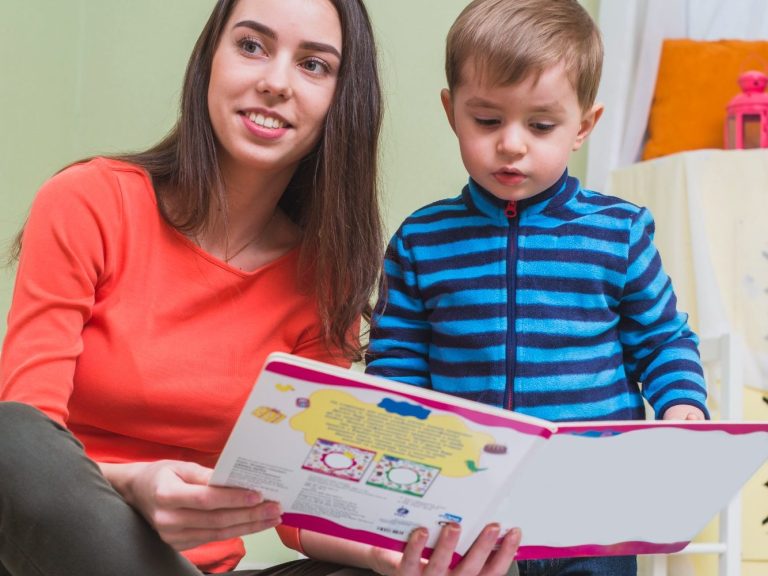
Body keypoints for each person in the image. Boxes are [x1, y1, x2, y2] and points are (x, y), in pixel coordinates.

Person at [0, 0, 521, 575]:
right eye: (251, 46)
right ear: (210, 60)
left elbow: (297, 500)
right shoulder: (90, 202)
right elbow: (26, 453)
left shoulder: (324, 277)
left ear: (342, 101)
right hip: (60, 553)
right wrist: (133, 486)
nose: (276, 83)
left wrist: (396, 557)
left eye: (313, 65)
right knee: (12, 434)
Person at [364, 1, 709, 575]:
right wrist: (402, 447)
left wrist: (682, 405)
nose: (512, 144)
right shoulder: (422, 240)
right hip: (465, 508)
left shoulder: (619, 232)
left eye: (541, 125)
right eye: (487, 120)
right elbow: (397, 359)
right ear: (451, 112)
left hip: (594, 506)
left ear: (584, 126)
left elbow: (663, 340)